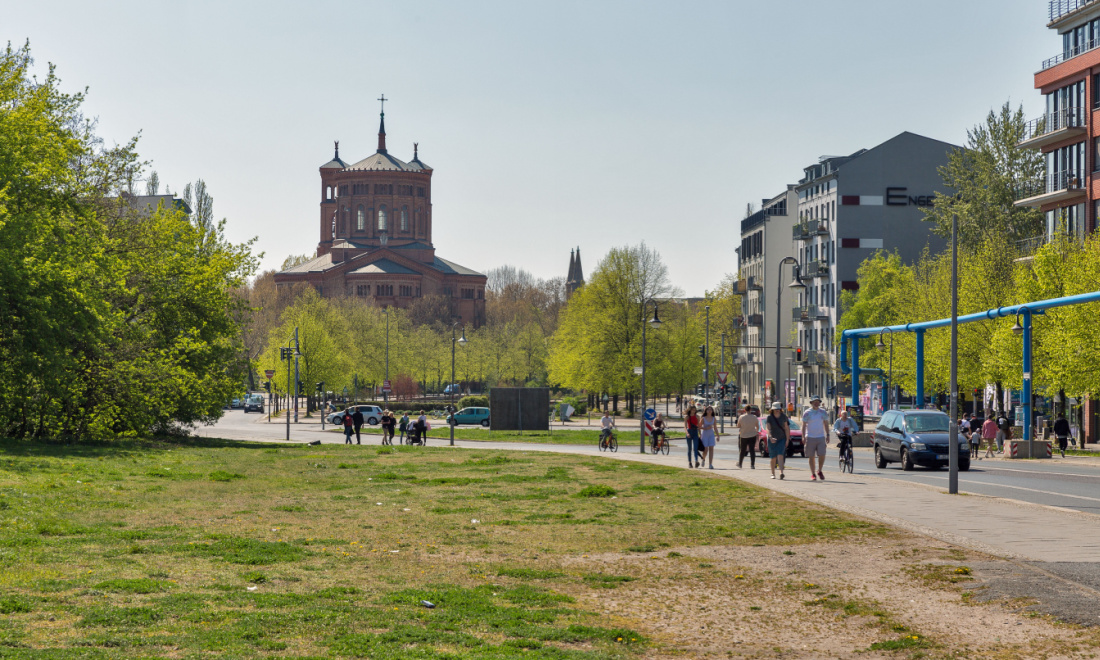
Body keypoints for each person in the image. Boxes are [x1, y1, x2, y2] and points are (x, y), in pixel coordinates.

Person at [802, 395, 830, 481]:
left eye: (818, 402)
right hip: (810, 436)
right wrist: (803, 436)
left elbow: (826, 424)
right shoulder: (807, 412)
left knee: (822, 454)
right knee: (811, 456)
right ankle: (813, 473)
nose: (816, 403)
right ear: (811, 403)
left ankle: (819, 470)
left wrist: (828, 435)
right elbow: (803, 425)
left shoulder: (823, 412)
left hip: (820, 436)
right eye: (815, 402)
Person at [765, 402, 789, 480]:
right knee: (773, 457)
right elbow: (768, 428)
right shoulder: (769, 417)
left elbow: (786, 428)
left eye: (778, 408)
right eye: (775, 409)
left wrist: (787, 439)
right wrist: (770, 437)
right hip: (772, 439)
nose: (777, 410)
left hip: (781, 438)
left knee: (780, 455)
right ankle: (772, 473)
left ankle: (781, 472)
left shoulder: (783, 417)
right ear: (772, 409)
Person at [736, 405, 759, 469]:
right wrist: (756, 432)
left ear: (744, 410)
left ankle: (740, 463)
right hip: (752, 435)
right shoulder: (754, 417)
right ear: (750, 410)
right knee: (752, 450)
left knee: (742, 450)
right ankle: (752, 465)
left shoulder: (741, 417)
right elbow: (757, 426)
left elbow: (738, 426)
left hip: (743, 435)